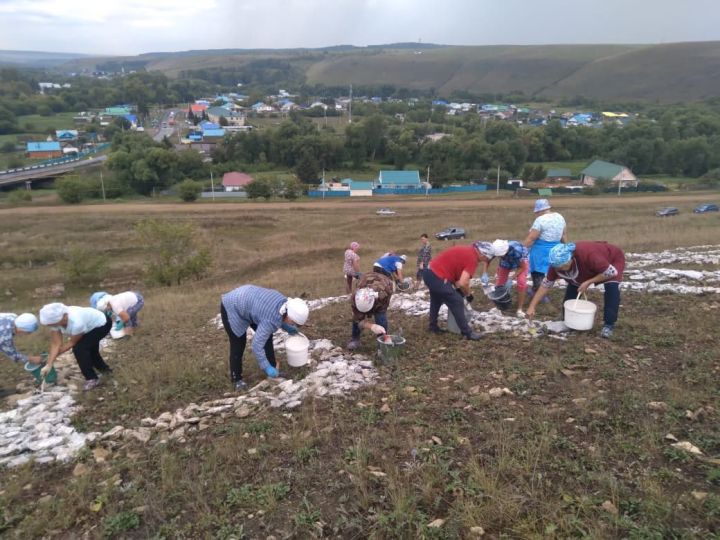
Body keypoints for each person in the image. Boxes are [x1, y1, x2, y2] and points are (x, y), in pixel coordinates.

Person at [526, 242, 625, 339]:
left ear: (571, 259)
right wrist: (532, 306)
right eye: (559, 268)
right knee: (574, 282)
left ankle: (609, 324)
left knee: (611, 287)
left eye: (563, 266)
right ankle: (567, 318)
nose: (562, 270)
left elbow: (612, 272)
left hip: (612, 259)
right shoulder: (556, 265)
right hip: (588, 266)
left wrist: (589, 282)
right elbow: (545, 285)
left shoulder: (589, 255)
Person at [220, 285, 309, 391]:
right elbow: (256, 345)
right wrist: (266, 368)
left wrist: (287, 327)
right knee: (238, 344)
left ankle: (273, 366)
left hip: (251, 305)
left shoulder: (284, 303)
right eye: (294, 323)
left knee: (267, 335)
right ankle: (236, 379)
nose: (294, 325)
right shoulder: (269, 320)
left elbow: (278, 316)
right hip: (232, 307)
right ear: (289, 315)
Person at [422, 242, 493, 340]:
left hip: (429, 273)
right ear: (482, 254)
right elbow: (464, 282)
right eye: (486, 258)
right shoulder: (472, 259)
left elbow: (455, 273)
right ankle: (468, 333)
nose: (486, 260)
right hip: (438, 276)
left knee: (436, 300)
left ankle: (432, 327)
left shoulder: (466, 250)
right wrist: (468, 294)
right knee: (457, 301)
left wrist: (458, 289)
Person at [39, 303, 112, 391]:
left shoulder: (77, 322)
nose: (50, 326)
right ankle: (106, 371)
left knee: (80, 349)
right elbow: (56, 344)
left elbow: (71, 343)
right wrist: (49, 364)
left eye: (52, 324)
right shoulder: (55, 321)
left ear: (62, 317)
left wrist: (53, 356)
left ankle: (91, 378)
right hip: (89, 326)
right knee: (91, 350)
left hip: (101, 324)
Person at [523, 199, 567, 301]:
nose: (536, 215)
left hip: (541, 250)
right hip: (556, 248)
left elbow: (531, 238)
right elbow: (563, 235)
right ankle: (538, 290)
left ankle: (540, 295)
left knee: (537, 272)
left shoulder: (540, 220)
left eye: (537, 212)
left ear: (540, 211)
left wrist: (522, 249)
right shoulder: (560, 217)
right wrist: (565, 248)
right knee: (550, 271)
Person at [347, 272, 393, 350]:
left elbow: (383, 307)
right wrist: (372, 326)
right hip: (366, 278)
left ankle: (382, 341)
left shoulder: (384, 294)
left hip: (384, 285)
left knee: (381, 317)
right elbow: (358, 320)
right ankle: (355, 339)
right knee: (356, 319)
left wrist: (379, 325)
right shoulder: (355, 297)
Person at [491, 239, 530, 317]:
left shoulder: (517, 251)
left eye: (499, 255)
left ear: (504, 251)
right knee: (499, 283)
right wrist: (485, 271)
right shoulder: (497, 249)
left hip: (521, 262)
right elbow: (488, 259)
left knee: (521, 283)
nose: (498, 257)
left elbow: (522, 267)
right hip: (506, 260)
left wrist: (511, 278)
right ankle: (498, 307)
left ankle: (519, 309)